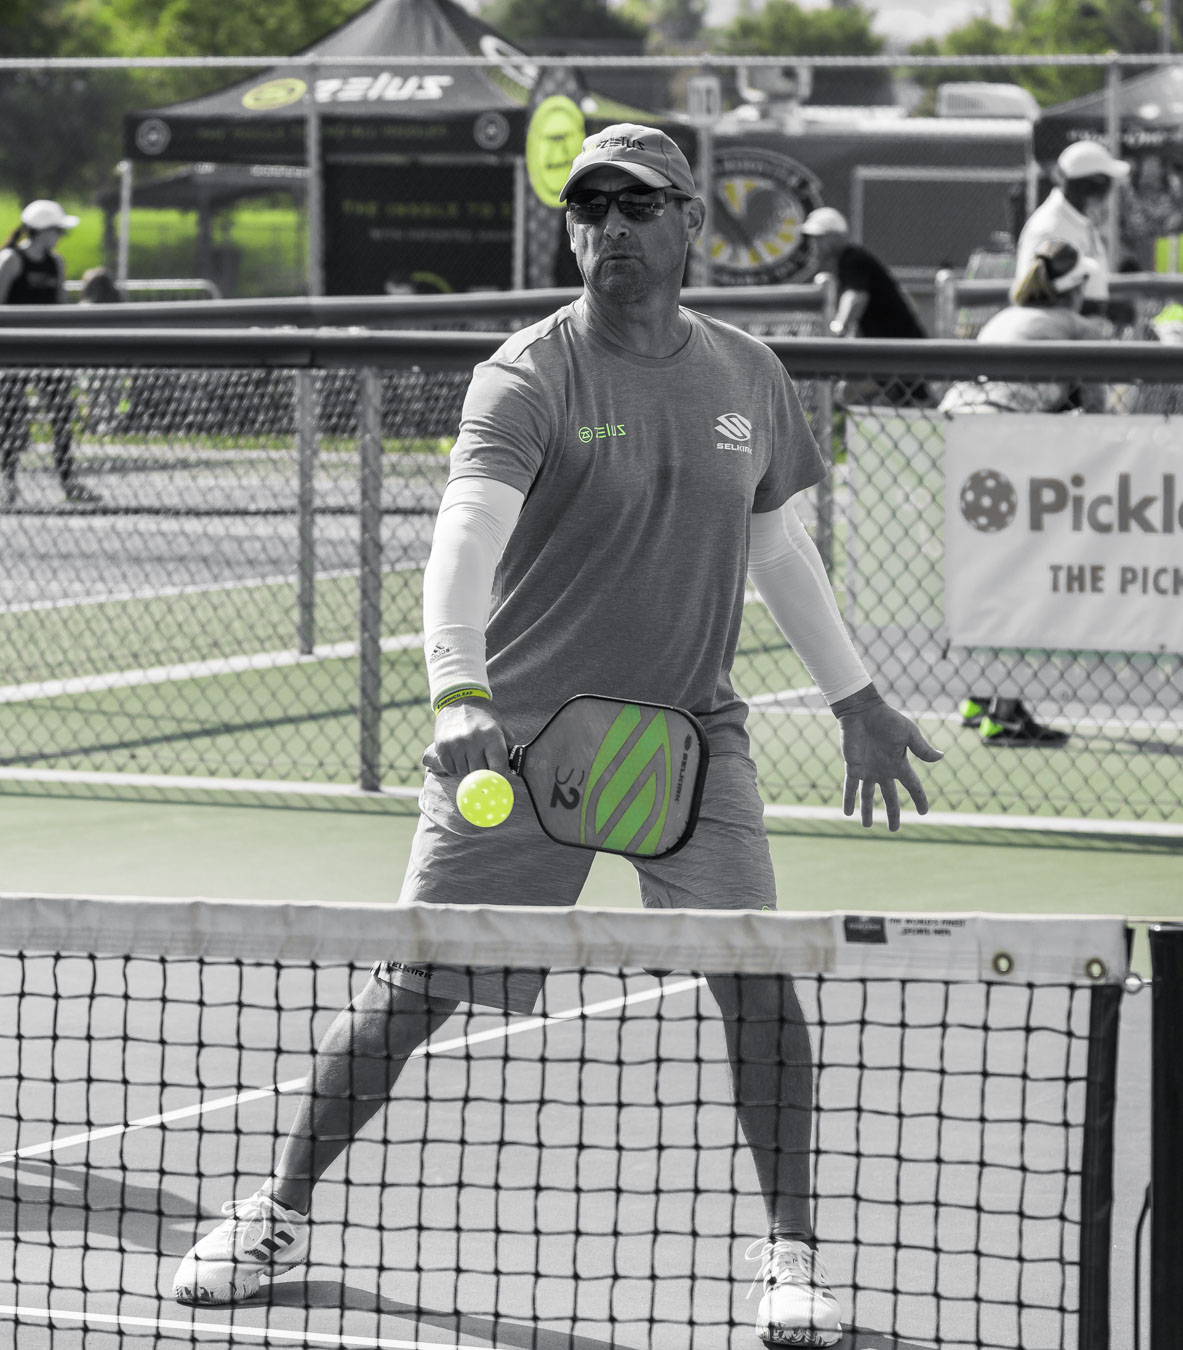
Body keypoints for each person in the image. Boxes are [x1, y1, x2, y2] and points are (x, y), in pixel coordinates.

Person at [172, 124, 942, 1347]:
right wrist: (458, 695)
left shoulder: (746, 373)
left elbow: (774, 546)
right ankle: (276, 1210)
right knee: (412, 992)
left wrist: (854, 698)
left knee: (757, 984)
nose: (611, 229)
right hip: (516, 745)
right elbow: (464, 540)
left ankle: (790, 1252)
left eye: (638, 205)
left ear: (692, 224)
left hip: (690, 742)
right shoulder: (527, 375)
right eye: (589, 208)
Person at [941, 239, 1110, 748]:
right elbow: (1099, 416)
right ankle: (1005, 714)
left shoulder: (1007, 317)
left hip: (958, 440)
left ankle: (980, 696)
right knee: (1022, 578)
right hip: (1002, 447)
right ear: (1077, 287)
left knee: (992, 576)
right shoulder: (1079, 328)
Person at [0, 199, 100, 506]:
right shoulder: (11, 260)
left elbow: (60, 306)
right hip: (13, 352)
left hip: (46, 352)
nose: (59, 236)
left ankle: (68, 482)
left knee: (61, 415)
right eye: (56, 230)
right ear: (43, 230)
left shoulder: (56, 263)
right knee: (12, 418)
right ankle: (7, 483)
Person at [799, 205, 931, 407]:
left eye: (821, 237)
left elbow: (856, 296)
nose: (816, 243)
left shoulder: (853, 259)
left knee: (904, 402)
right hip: (892, 355)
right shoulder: (849, 261)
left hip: (900, 353)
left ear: (837, 236)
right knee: (860, 396)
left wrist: (838, 327)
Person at [1013, 141, 1130, 317]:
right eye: (1108, 183)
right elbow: (1035, 296)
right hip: (1053, 337)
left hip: (1073, 332)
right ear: (1095, 185)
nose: (1109, 192)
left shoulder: (1076, 219)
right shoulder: (1051, 227)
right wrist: (1103, 309)